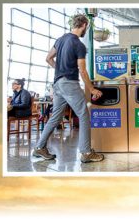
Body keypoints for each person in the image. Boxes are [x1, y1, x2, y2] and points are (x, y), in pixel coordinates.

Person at [33, 14, 104, 163]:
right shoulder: (79, 45)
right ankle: (86, 153)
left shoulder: (60, 40)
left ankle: (39, 147)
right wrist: (91, 89)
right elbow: (83, 71)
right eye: (87, 27)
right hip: (69, 84)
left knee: (55, 117)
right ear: (84, 25)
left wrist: (60, 70)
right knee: (84, 115)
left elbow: (48, 58)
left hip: (58, 84)